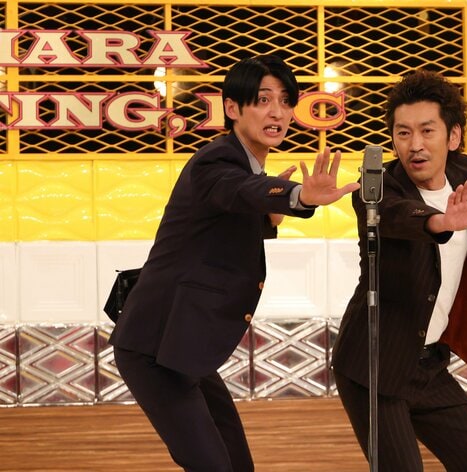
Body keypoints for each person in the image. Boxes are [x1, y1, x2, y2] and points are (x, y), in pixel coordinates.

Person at [109, 54, 359, 472]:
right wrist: (298, 196)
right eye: (263, 100)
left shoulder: (246, 166)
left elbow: (231, 212)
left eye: (285, 101)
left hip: (184, 345)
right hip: (153, 346)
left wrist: (268, 217)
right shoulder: (217, 161)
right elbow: (238, 190)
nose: (277, 112)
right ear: (232, 108)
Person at [331, 69, 467, 471]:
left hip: (429, 365)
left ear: (453, 136)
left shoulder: (464, 174)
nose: (414, 145)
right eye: (403, 133)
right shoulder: (377, 188)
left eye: (427, 131)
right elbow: (397, 216)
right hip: (374, 366)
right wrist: (440, 222)